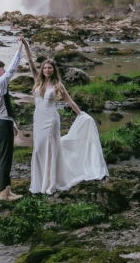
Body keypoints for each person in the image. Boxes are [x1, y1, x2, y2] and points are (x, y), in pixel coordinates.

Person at [24, 41, 108, 195]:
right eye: (45, 67)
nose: (47, 70)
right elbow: (30, 61)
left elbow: (69, 101)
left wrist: (81, 114)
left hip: (51, 120)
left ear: (54, 70)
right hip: (38, 120)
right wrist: (26, 45)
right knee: (38, 150)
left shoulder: (58, 85)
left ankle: (49, 184)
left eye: (50, 68)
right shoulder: (37, 80)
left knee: (49, 149)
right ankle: (40, 182)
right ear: (42, 69)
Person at [0, 36, 27, 201]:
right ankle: (5, 192)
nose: (4, 72)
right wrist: (19, 48)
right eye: (1, 70)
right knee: (5, 158)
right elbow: (12, 70)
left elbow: (1, 107)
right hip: (2, 123)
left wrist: (13, 124)